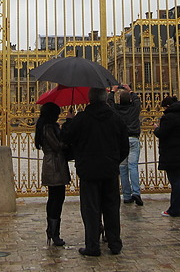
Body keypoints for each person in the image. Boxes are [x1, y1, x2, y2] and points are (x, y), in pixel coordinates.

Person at [62, 87, 129, 256]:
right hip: (109, 171)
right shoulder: (116, 118)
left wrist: (69, 120)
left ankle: (92, 246)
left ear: (89, 100)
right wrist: (113, 161)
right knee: (112, 207)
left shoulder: (82, 119)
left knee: (90, 209)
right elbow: (125, 147)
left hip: (89, 171)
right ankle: (114, 244)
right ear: (105, 98)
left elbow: (66, 138)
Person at [34, 102, 70, 246]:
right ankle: (54, 233)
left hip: (53, 164)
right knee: (57, 199)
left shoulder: (47, 127)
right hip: (54, 165)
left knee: (54, 199)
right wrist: (68, 136)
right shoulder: (48, 128)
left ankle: (52, 230)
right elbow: (57, 146)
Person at [154, 95, 180, 217]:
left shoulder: (169, 117)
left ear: (168, 106)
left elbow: (162, 133)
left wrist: (156, 129)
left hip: (172, 152)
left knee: (175, 181)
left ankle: (175, 209)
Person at [110, 84, 143, 206]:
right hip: (133, 139)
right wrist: (131, 91)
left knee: (123, 169)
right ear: (129, 99)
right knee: (133, 166)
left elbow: (110, 103)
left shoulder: (117, 110)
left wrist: (112, 92)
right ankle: (136, 192)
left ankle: (127, 196)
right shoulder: (134, 109)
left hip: (121, 141)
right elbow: (137, 101)